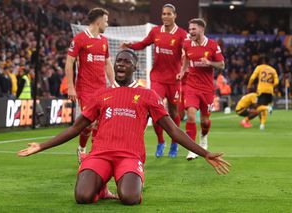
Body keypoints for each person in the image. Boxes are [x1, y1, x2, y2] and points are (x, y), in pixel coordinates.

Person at [18, 50, 230, 205]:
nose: (120, 64)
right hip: (100, 155)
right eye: (118, 61)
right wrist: (41, 146)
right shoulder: (102, 94)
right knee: (82, 198)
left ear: (135, 67)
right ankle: (100, 189)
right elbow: (75, 128)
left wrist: (205, 153)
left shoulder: (148, 95)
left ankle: (122, 182)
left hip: (129, 157)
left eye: (126, 62)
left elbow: (173, 130)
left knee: (130, 199)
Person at [120, 3, 188, 158]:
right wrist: (129, 46)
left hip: (174, 80)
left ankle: (174, 143)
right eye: (163, 14)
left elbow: (188, 53)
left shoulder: (182, 34)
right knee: (155, 110)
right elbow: (142, 44)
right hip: (157, 78)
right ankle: (160, 141)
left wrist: (183, 71)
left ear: (175, 15)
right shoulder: (155, 31)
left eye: (169, 14)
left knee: (173, 111)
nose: (165, 16)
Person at [65, 8, 115, 161]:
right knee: (90, 122)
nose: (107, 24)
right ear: (98, 21)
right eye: (106, 21)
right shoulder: (80, 39)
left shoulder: (104, 41)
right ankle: (82, 147)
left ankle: (94, 155)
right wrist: (71, 87)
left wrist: (113, 84)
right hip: (85, 88)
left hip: (101, 88)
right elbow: (69, 63)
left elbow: (107, 64)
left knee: (100, 123)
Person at [180, 18, 225, 160]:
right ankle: (192, 149)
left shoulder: (212, 45)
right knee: (191, 116)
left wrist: (210, 62)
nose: (190, 31)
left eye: (193, 29)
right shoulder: (187, 44)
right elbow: (187, 59)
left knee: (205, 122)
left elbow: (222, 65)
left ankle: (204, 139)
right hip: (192, 85)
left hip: (207, 89)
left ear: (201, 29)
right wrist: (183, 71)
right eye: (190, 29)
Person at [247, 56, 278, 130]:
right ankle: (262, 125)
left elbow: (252, 78)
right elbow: (277, 82)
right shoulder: (273, 70)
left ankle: (268, 108)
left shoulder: (259, 67)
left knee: (259, 107)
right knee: (263, 107)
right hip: (270, 91)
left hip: (261, 90)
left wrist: (249, 86)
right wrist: (271, 86)